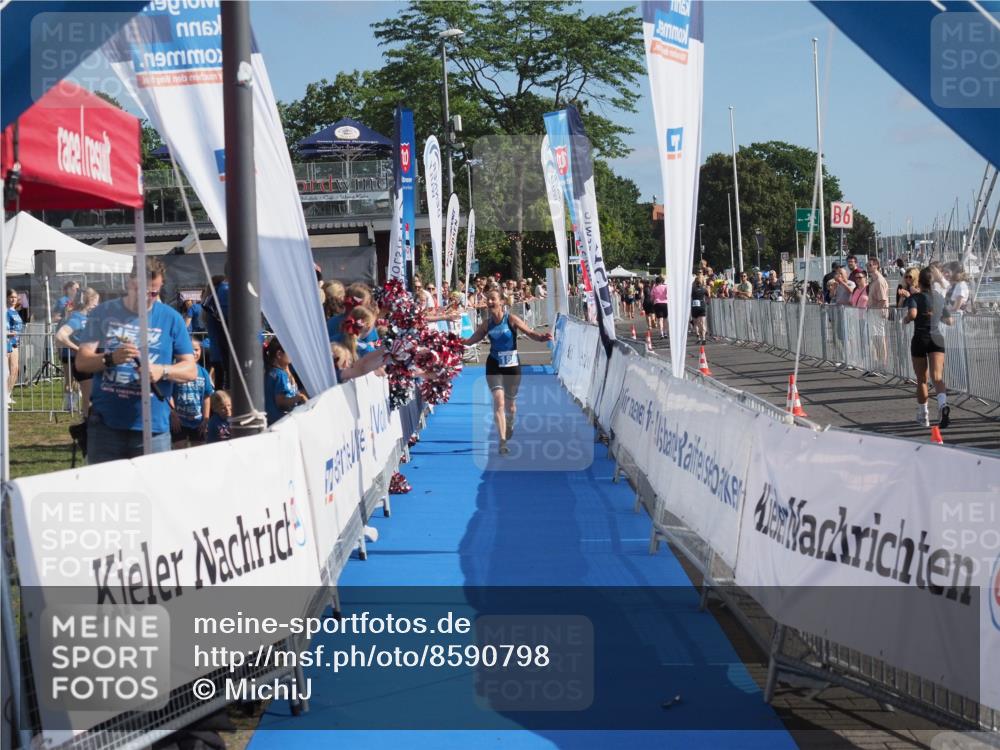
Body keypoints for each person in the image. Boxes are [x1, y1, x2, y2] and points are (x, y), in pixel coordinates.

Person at [75, 259, 197, 462]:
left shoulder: (172, 318)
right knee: (106, 483)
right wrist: (111, 358)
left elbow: (190, 370)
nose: (147, 298)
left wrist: (162, 371)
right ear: (129, 283)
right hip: (106, 426)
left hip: (153, 429)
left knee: (152, 483)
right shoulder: (102, 313)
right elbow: (82, 362)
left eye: (154, 293)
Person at [461, 290, 552, 455]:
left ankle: (510, 422)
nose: (490, 302)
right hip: (494, 364)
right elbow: (472, 340)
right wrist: (456, 343)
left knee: (511, 406)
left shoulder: (511, 319)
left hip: (512, 367)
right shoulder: (486, 324)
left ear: (502, 302)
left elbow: (530, 333)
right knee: (499, 401)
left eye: (493, 299)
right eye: (488, 300)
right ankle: (502, 441)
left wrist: (541, 338)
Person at [904, 267, 952, 429]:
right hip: (936, 338)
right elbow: (949, 321)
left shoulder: (915, 297)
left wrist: (906, 319)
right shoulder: (939, 297)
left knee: (922, 379)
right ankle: (943, 405)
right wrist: (935, 316)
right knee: (937, 377)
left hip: (920, 337)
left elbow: (912, 314)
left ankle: (923, 415)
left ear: (919, 282)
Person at [55, 288, 100, 416]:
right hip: (83, 363)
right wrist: (78, 349)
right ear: (88, 301)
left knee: (91, 398)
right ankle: (87, 424)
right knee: (89, 398)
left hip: (91, 361)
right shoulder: (76, 318)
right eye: (95, 302)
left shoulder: (88, 317)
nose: (97, 305)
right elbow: (60, 336)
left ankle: (88, 422)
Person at [170, 339, 215, 448]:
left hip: (198, 422)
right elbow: (169, 394)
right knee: (180, 449)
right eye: (190, 350)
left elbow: (207, 397)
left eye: (196, 349)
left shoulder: (203, 372)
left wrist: (206, 419)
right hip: (179, 420)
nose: (194, 352)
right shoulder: (175, 370)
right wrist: (173, 415)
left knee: (199, 450)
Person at [263, 338, 308, 425]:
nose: (292, 353)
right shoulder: (280, 375)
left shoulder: (273, 372)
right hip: (282, 423)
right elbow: (281, 402)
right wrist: (300, 397)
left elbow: (291, 391)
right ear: (279, 354)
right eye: (289, 350)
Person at [5, 289, 24, 407]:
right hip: (6, 343)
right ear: (6, 298)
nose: (13, 299)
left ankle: (7, 394)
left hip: (15, 343)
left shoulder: (15, 312)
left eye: (15, 297)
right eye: (11, 297)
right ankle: (3, 397)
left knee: (15, 370)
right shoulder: (5, 311)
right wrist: (8, 333)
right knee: (6, 372)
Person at [691, 272, 709, 345]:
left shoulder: (692, 289)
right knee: (702, 323)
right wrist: (707, 302)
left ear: (695, 282)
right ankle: (704, 338)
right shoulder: (704, 289)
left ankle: (698, 337)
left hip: (695, 307)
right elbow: (708, 296)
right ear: (701, 282)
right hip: (702, 306)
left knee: (695, 323)